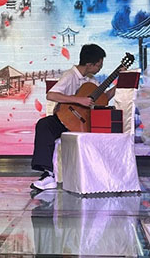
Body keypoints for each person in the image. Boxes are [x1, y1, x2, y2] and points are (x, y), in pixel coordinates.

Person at [31, 44, 116, 191]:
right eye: (99, 65)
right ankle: (48, 174)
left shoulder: (91, 80)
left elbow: (103, 99)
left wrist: (117, 85)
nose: (100, 68)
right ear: (89, 64)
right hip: (65, 119)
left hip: (83, 123)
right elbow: (51, 95)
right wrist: (78, 100)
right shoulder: (70, 75)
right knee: (44, 124)